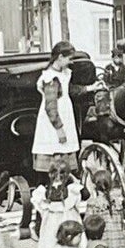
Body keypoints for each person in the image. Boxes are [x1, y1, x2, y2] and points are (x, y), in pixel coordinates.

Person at [31, 160, 84, 248]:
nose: (58, 177)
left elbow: (39, 212)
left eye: (62, 173)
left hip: (58, 223)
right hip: (57, 223)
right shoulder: (66, 191)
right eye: (55, 173)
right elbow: (85, 194)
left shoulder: (46, 191)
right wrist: (73, 179)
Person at [32, 40, 80, 174]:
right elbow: (50, 106)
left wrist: (91, 88)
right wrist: (59, 129)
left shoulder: (64, 74)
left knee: (64, 151)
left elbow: (70, 91)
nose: (71, 62)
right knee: (57, 152)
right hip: (54, 124)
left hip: (64, 116)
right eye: (69, 59)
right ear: (60, 57)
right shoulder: (51, 78)